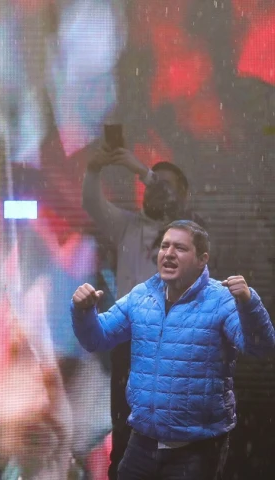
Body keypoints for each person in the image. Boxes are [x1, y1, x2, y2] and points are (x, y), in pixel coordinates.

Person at [71, 220, 275, 479]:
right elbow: (96, 339)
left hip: (195, 449)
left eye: (179, 248)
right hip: (142, 442)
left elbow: (260, 347)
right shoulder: (141, 296)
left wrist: (248, 303)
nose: (168, 253)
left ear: (202, 259)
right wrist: (84, 311)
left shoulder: (221, 300)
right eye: (164, 246)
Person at [83, 142, 200, 479]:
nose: (152, 190)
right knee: (124, 432)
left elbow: (175, 207)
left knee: (172, 437)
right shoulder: (127, 226)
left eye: (162, 184)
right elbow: (91, 202)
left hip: (174, 344)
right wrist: (93, 170)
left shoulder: (189, 235)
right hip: (128, 344)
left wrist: (144, 172)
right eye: (150, 184)